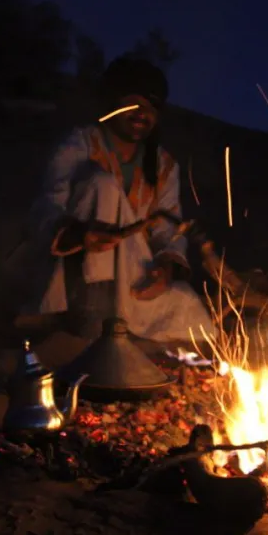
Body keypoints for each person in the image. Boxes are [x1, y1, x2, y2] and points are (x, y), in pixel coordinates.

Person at [23, 56, 213, 345]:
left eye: (151, 108)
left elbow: (169, 229)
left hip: (130, 273)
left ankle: (121, 330)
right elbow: (48, 205)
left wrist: (166, 266)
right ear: (112, 103)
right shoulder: (80, 144)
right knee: (103, 184)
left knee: (188, 310)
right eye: (133, 103)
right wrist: (79, 235)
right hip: (70, 272)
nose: (141, 114)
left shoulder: (163, 165)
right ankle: (87, 318)